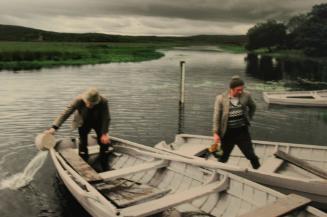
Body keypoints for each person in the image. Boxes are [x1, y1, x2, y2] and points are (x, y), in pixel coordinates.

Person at [46, 87, 111, 170]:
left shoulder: (103, 101)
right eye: (88, 103)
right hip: (83, 121)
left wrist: (104, 133)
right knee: (83, 142)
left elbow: (106, 118)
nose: (90, 106)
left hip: (98, 122)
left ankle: (104, 164)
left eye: (93, 104)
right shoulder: (78, 100)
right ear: (84, 99)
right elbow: (65, 113)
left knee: (104, 142)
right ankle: (84, 163)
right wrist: (54, 127)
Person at [212, 76, 260, 169]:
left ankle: (259, 171)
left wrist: (248, 118)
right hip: (227, 133)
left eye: (242, 89)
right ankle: (218, 172)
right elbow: (216, 116)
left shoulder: (246, 95)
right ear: (231, 89)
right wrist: (215, 133)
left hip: (242, 132)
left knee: (250, 155)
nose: (241, 92)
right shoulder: (221, 98)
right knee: (223, 157)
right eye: (238, 90)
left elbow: (253, 106)